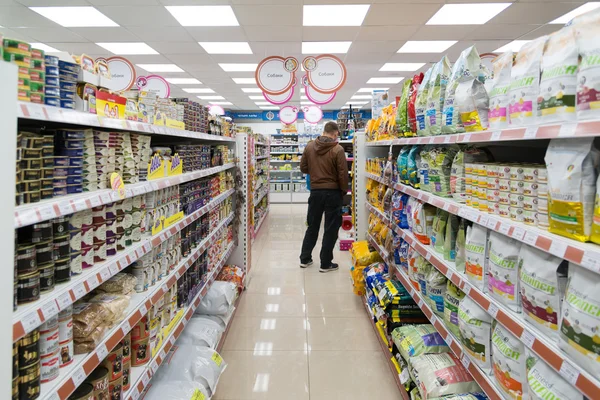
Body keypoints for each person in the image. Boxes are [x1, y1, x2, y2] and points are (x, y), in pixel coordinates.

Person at [299, 121, 349, 273]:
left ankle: (305, 258)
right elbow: (342, 174)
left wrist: (315, 174)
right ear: (334, 133)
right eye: (336, 136)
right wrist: (343, 191)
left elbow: (303, 168)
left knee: (312, 226)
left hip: (315, 193)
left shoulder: (309, 147)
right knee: (330, 228)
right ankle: (325, 263)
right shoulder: (337, 149)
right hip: (333, 193)